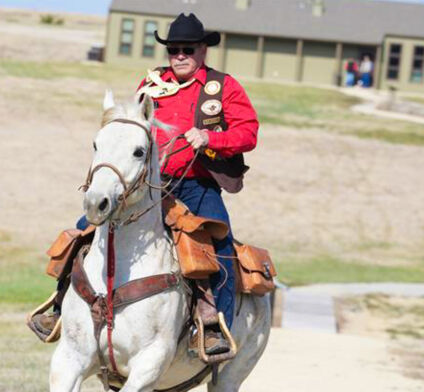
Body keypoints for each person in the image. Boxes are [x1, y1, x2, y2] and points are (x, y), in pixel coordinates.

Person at [32, 13, 259, 357]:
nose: (179, 55)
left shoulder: (222, 87)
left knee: (222, 246)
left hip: (197, 186)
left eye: (187, 49)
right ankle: (60, 307)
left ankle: (214, 326)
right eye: (173, 49)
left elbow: (249, 132)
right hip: (149, 186)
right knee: (84, 230)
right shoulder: (152, 83)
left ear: (202, 50)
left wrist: (210, 136)